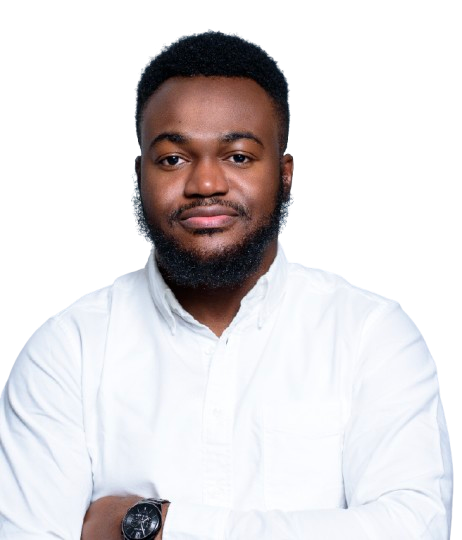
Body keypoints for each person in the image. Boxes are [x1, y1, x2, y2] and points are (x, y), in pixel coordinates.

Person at [0, 30, 453, 540]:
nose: (206, 184)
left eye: (238, 156)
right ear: (139, 175)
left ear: (284, 173)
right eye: (173, 159)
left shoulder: (372, 335)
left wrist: (155, 526)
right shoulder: (68, 351)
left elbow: (414, 530)